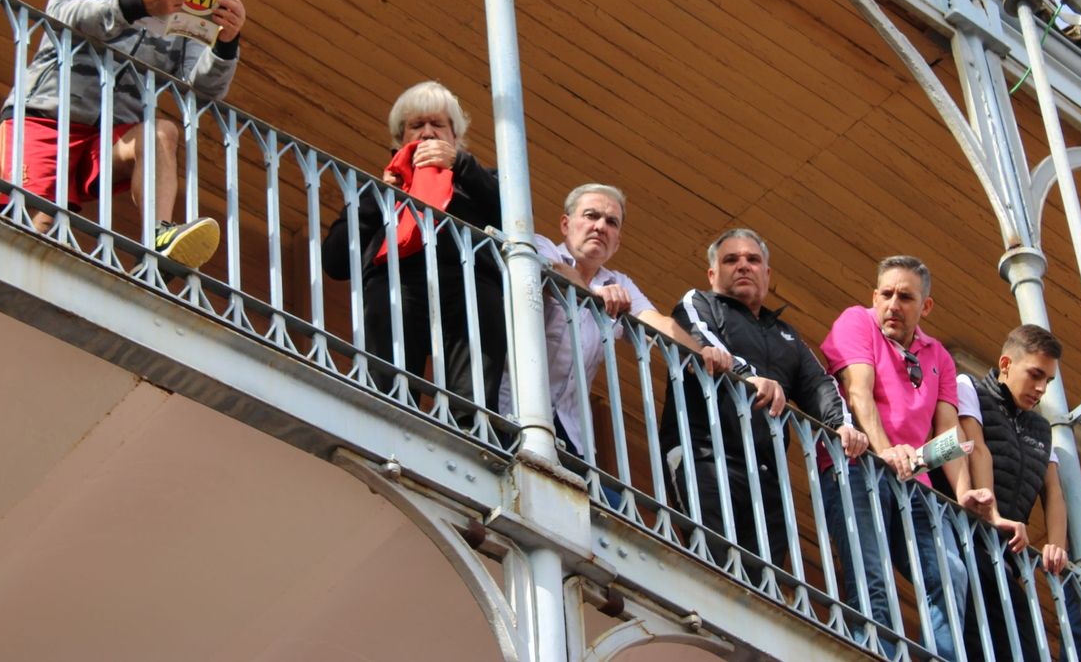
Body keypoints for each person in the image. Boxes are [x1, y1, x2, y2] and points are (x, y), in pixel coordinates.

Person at [0, 0, 244, 268]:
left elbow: (202, 89)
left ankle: (159, 239)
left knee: (161, 132)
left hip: (111, 134)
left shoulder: (186, 6)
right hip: (46, 118)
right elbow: (62, 14)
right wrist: (137, 5)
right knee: (37, 226)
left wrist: (226, 43)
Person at [658, 228, 867, 567]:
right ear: (712, 274)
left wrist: (841, 425)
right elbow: (701, 338)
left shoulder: (785, 334)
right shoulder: (698, 303)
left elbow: (819, 384)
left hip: (766, 476)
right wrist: (749, 377)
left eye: (752, 260)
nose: (743, 266)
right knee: (713, 564)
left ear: (767, 274)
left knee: (764, 579)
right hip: (704, 455)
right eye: (731, 260)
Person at [818, 255, 992, 662]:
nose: (893, 305)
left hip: (916, 482)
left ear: (925, 306)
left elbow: (948, 433)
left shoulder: (939, 356)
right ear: (874, 296)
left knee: (950, 573)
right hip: (859, 467)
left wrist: (964, 493)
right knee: (872, 578)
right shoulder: (856, 322)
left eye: (906, 297)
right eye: (886, 294)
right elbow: (858, 392)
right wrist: (886, 451)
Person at [498, 183, 732, 461]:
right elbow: (555, 273)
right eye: (591, 216)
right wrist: (594, 296)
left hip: (570, 434)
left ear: (617, 241)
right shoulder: (540, 245)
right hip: (510, 409)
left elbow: (655, 323)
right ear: (565, 224)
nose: (600, 227)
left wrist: (700, 353)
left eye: (611, 222)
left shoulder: (619, 282)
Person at [320, 81, 507, 420]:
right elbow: (335, 260)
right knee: (390, 387)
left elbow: (516, 221)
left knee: (472, 399)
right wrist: (380, 197)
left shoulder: (478, 179)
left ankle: (470, 431)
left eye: (438, 125)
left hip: (470, 286)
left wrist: (462, 166)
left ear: (455, 137)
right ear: (400, 139)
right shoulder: (376, 191)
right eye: (417, 125)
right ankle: (387, 421)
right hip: (398, 284)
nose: (428, 133)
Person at [948, 323, 1070, 661]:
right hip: (966, 538)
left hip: (1006, 558)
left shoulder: (1042, 428)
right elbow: (977, 449)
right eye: (1035, 375)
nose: (1041, 388)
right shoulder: (969, 387)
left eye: (1048, 381)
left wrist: (1056, 546)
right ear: (1005, 364)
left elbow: (1054, 492)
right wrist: (993, 515)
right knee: (975, 642)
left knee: (1024, 647)